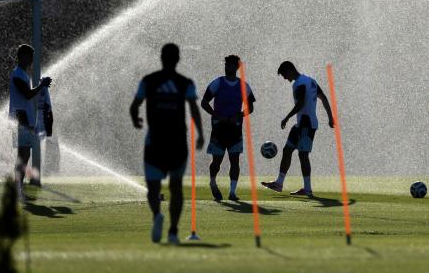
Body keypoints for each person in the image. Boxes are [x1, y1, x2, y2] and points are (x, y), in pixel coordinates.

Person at [130, 43, 204, 245]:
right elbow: (194, 108)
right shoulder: (185, 82)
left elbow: (134, 106)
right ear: (178, 59)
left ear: (161, 58)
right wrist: (200, 133)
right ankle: (172, 231)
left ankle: (157, 216)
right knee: (176, 187)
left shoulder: (149, 80)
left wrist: (135, 119)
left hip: (155, 143)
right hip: (177, 143)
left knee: (153, 189)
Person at [261, 61, 334, 197]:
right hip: (300, 124)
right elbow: (323, 98)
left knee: (303, 155)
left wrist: (287, 117)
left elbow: (300, 103)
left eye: (284, 74)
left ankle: (307, 189)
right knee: (287, 150)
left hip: (307, 124)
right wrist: (330, 117)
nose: (284, 78)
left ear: (290, 69)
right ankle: (279, 183)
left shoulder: (300, 83)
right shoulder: (310, 81)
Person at [201, 55, 255, 202]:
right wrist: (215, 114)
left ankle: (232, 192)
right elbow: (204, 102)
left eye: (230, 65)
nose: (227, 67)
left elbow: (250, 107)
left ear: (236, 67)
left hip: (235, 129)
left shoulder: (244, 86)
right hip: (219, 128)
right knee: (216, 162)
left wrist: (240, 115)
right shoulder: (217, 83)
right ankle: (212, 182)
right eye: (226, 64)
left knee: (234, 161)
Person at [9, 44, 52, 200]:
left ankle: (18, 190)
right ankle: (17, 191)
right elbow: (27, 94)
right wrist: (41, 85)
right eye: (29, 56)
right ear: (21, 56)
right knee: (23, 155)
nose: (31, 60)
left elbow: (28, 95)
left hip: (24, 118)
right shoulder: (17, 74)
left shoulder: (23, 75)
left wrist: (41, 87)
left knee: (24, 155)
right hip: (20, 118)